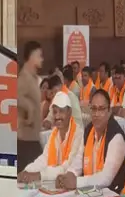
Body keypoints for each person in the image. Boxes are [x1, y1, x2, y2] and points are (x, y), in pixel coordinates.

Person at [55, 89, 125, 192]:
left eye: (101, 109)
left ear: (109, 112)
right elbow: (78, 161)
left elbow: (106, 178)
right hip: (89, 194)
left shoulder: (116, 137)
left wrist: (76, 182)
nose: (96, 114)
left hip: (112, 195)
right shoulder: (89, 130)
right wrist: (67, 176)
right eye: (93, 109)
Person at [19, 92, 84, 183]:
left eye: (61, 111)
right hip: (53, 182)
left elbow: (67, 167)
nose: (57, 116)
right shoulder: (54, 133)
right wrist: (27, 171)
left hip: (70, 184)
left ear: (69, 112)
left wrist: (40, 175)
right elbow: (44, 158)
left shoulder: (79, 134)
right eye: (55, 112)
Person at [19, 41, 45, 171]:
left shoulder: (34, 79)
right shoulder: (24, 78)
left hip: (33, 136)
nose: (42, 59)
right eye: (39, 56)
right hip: (26, 138)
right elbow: (17, 96)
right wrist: (29, 107)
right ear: (32, 56)